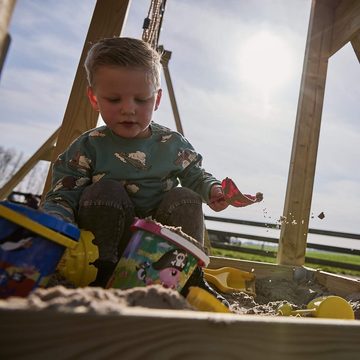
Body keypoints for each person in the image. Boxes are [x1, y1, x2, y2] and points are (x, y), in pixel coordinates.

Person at [41, 37, 250, 300]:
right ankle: (102, 279)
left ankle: (189, 278)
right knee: (104, 190)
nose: (128, 109)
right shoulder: (88, 147)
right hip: (103, 246)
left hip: (159, 250)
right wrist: (55, 219)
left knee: (185, 196)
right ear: (94, 98)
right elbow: (63, 193)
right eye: (114, 99)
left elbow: (196, 175)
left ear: (157, 98)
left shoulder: (171, 144)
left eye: (141, 99)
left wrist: (215, 191)